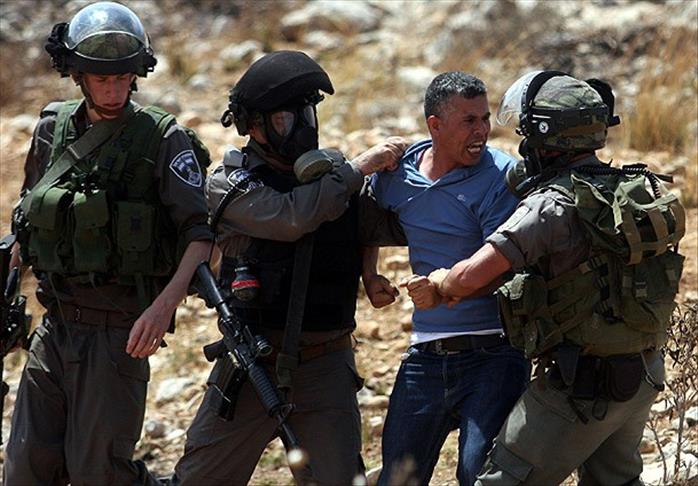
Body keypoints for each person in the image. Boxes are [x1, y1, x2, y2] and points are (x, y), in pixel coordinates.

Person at [407, 71, 686, 485]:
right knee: (615, 481)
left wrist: (442, 283)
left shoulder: (551, 205)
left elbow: (472, 275)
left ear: (546, 139)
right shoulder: (637, 188)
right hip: (643, 372)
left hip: (582, 385)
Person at [173, 50, 406, 485]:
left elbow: (375, 222)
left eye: (307, 114)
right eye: (285, 119)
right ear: (254, 126)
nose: (302, 128)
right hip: (253, 363)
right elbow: (291, 217)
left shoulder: (332, 178)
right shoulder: (231, 184)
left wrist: (372, 268)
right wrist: (358, 168)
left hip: (326, 363)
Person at [4, 2, 213, 484]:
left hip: (119, 333)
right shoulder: (52, 129)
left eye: (123, 78)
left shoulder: (161, 138)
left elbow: (199, 236)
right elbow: (26, 220)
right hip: (55, 325)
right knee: (25, 469)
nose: (114, 90)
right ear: (78, 76)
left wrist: (162, 308)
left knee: (98, 472)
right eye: (102, 79)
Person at [366, 71, 530, 486]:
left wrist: (444, 290)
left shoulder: (501, 175)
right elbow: (364, 217)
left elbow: (503, 264)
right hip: (425, 354)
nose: (482, 131)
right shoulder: (399, 172)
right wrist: (369, 274)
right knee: (397, 479)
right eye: (469, 121)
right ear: (435, 125)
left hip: (495, 351)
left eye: (485, 119)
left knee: (479, 474)